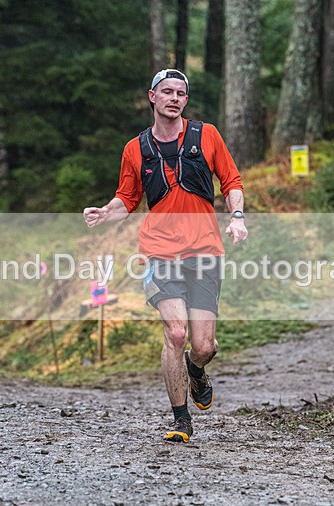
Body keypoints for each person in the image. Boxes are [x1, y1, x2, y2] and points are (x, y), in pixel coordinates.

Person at [83, 69, 248, 443]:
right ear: (152, 97)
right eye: (166, 92)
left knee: (204, 345)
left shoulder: (206, 135)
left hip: (205, 249)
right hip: (159, 252)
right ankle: (180, 419)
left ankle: (196, 368)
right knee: (176, 332)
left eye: (180, 93)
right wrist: (104, 212)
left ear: (185, 101)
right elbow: (127, 198)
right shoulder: (134, 149)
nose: (174, 98)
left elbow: (232, 182)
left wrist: (237, 216)